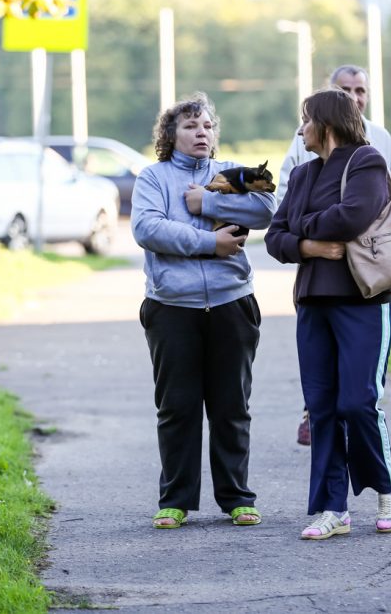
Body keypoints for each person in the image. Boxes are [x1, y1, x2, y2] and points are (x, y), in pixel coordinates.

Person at [131, 92, 277, 529]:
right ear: (170, 135)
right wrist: (209, 242)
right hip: (171, 306)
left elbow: (267, 207)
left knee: (232, 405)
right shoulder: (153, 178)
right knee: (178, 407)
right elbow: (147, 228)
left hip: (233, 302)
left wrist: (208, 203)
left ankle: (237, 498)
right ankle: (175, 500)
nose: (202, 133)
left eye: (208, 126)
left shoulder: (229, 174)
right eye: (191, 126)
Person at [265, 87, 391, 539]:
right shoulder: (303, 174)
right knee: (322, 408)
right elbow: (274, 237)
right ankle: (332, 509)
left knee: (358, 402)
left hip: (362, 300)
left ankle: (388, 489)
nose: (300, 129)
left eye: (305, 120)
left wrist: (301, 230)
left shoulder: (367, 161)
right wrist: (308, 245)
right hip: (312, 302)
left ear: (326, 125)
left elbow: (353, 216)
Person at [277, 64, 391, 446]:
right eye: (345, 89)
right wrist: (306, 240)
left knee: (362, 387)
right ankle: (318, 418)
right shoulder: (305, 141)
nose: (355, 96)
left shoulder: (379, 140)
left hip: (370, 273)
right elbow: (286, 196)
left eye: (361, 89)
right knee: (322, 376)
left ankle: (367, 426)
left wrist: (308, 223)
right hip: (320, 273)